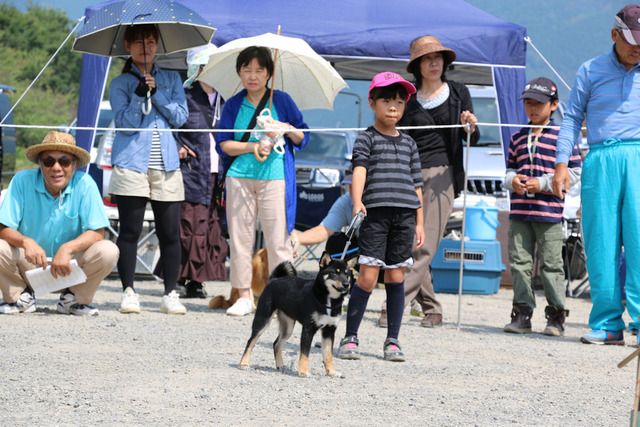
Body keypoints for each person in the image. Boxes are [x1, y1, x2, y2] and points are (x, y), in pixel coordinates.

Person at [377, 35, 479, 329]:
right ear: (417, 65)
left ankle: (393, 305)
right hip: (408, 174)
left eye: (438, 58)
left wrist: (470, 125)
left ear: (445, 62)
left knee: (424, 245)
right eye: (427, 58)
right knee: (406, 242)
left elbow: (472, 136)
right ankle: (432, 307)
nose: (434, 63)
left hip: (441, 176)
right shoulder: (406, 99)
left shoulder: (459, 93)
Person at [553, 4, 640, 345]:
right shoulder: (590, 70)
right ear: (614, 34)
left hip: (638, 155)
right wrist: (561, 163)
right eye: (632, 40)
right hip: (599, 158)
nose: (637, 47)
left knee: (638, 242)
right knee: (601, 243)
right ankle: (607, 324)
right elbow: (572, 118)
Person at [337, 72, 424, 362]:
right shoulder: (366, 138)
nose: (393, 107)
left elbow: (417, 185)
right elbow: (359, 171)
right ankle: (350, 336)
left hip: (405, 218)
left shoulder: (410, 144)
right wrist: (357, 201)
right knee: (367, 277)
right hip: (375, 215)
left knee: (397, 276)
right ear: (372, 102)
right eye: (386, 100)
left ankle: (393, 340)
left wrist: (420, 221)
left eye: (399, 101)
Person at [216, 46, 309, 316]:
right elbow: (224, 144)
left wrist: (285, 128)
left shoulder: (281, 100)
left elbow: (303, 136)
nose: (253, 75)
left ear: (269, 73)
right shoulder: (233, 103)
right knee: (240, 238)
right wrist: (253, 146)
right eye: (247, 69)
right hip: (239, 178)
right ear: (239, 72)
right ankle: (244, 296)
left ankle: (284, 296)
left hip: (274, 178)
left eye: (259, 70)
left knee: (278, 239)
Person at [108, 24, 189, 314]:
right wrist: (140, 95)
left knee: (169, 233)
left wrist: (159, 94)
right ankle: (129, 291)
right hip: (131, 163)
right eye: (140, 42)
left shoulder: (171, 78)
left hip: (166, 163)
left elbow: (180, 117)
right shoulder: (119, 84)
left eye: (152, 42)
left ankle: (170, 293)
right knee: (129, 230)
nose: (147, 47)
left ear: (159, 45)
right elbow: (126, 125)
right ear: (128, 46)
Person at [0, 131, 119, 316]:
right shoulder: (22, 181)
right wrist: (26, 242)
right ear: (40, 164)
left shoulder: (86, 184)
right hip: (29, 265)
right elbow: (3, 229)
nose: (56, 167)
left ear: (74, 165)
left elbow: (97, 233)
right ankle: (19, 298)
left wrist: (67, 248)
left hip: (70, 268)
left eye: (64, 161)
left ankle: (74, 299)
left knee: (108, 250)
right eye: (49, 161)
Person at [503, 77, 582, 337]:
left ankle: (557, 316)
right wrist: (511, 181)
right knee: (519, 262)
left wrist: (545, 183)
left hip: (549, 213)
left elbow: (575, 173)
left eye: (539, 103)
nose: (533, 108)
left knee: (551, 264)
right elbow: (510, 169)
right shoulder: (517, 137)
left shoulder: (563, 137)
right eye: (528, 103)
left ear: (554, 105)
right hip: (519, 212)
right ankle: (522, 313)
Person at [174, 44, 228, 299]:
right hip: (192, 172)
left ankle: (198, 280)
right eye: (205, 65)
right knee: (189, 225)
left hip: (218, 174)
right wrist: (177, 146)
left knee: (210, 227)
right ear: (196, 68)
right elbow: (166, 128)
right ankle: (178, 277)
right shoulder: (183, 96)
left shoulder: (225, 99)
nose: (209, 71)